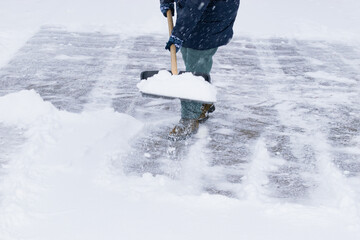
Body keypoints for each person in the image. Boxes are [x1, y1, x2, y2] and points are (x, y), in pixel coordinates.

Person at [160, 0, 240, 140]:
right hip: (202, 16)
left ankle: (189, 119)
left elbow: (195, 5)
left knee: (195, 67)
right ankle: (203, 100)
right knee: (192, 57)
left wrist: (180, 33)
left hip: (207, 19)